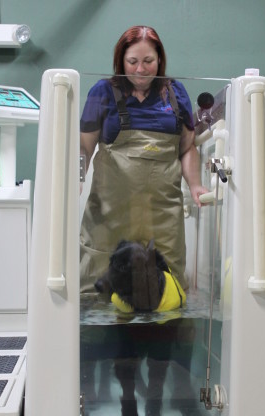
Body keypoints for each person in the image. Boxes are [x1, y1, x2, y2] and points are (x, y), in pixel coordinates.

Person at [80, 25, 208, 293]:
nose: (140, 69)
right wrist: (76, 177)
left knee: (168, 289)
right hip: (109, 214)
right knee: (96, 285)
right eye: (132, 62)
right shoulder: (102, 92)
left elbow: (186, 148)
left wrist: (196, 185)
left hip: (162, 214)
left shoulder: (176, 93)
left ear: (159, 59)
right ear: (121, 61)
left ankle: (165, 334)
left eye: (148, 61)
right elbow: (84, 147)